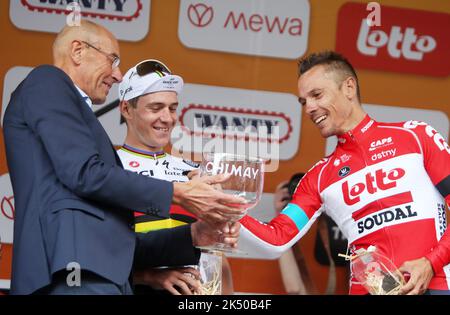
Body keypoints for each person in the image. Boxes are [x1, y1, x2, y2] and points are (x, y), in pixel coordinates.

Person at [3, 20, 244, 295]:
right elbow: (85, 173)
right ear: (78, 51)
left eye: (173, 108)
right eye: (113, 60)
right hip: (72, 277)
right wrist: (178, 193)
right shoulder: (48, 80)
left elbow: (118, 241)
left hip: (99, 278)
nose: (118, 75)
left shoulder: (86, 138)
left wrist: (193, 236)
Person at [237, 51, 450, 295]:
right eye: (304, 102)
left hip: (436, 286)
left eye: (317, 95)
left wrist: (431, 263)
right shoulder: (319, 177)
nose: (309, 108)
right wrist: (221, 207)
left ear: (349, 87)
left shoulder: (416, 136)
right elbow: (276, 239)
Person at [116, 59, 234, 295]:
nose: (168, 118)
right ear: (127, 109)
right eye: (155, 107)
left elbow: (216, 257)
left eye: (172, 108)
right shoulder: (109, 170)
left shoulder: (195, 171)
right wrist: (147, 276)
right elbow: (97, 251)